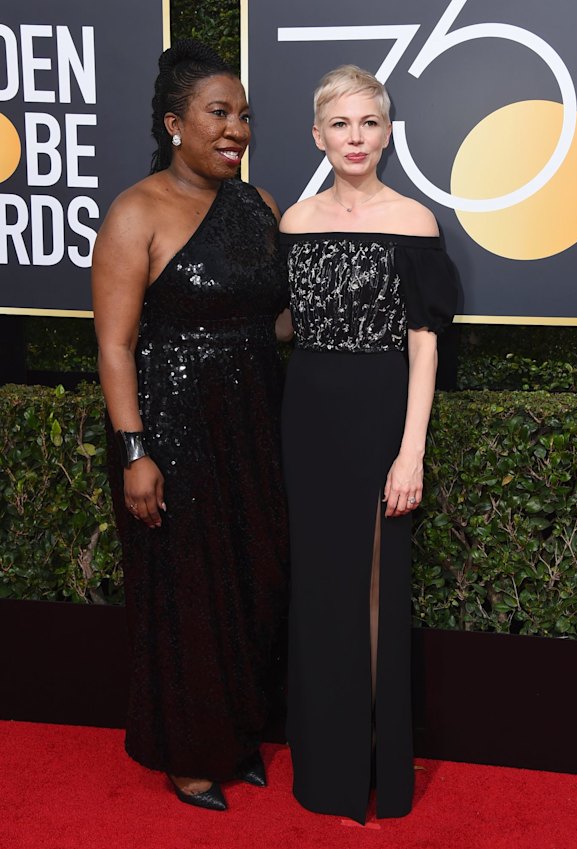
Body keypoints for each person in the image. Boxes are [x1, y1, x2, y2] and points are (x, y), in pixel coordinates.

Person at [92, 39, 289, 812]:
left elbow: (267, 322)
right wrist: (135, 448)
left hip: (256, 423)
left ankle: (238, 735)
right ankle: (188, 753)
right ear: (175, 123)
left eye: (242, 114)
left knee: (250, 581)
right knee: (188, 592)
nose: (235, 127)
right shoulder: (136, 210)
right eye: (218, 113)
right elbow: (113, 343)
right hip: (173, 428)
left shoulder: (259, 205)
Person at [280, 65, 458, 823]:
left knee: (376, 586)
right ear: (317, 134)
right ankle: (325, 766)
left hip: (383, 406)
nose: (356, 139)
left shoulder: (414, 220)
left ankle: (374, 767)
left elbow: (425, 342)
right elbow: (286, 320)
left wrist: (411, 447)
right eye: (341, 125)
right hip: (308, 411)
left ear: (388, 133)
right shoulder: (292, 220)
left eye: (370, 124)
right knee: (319, 588)